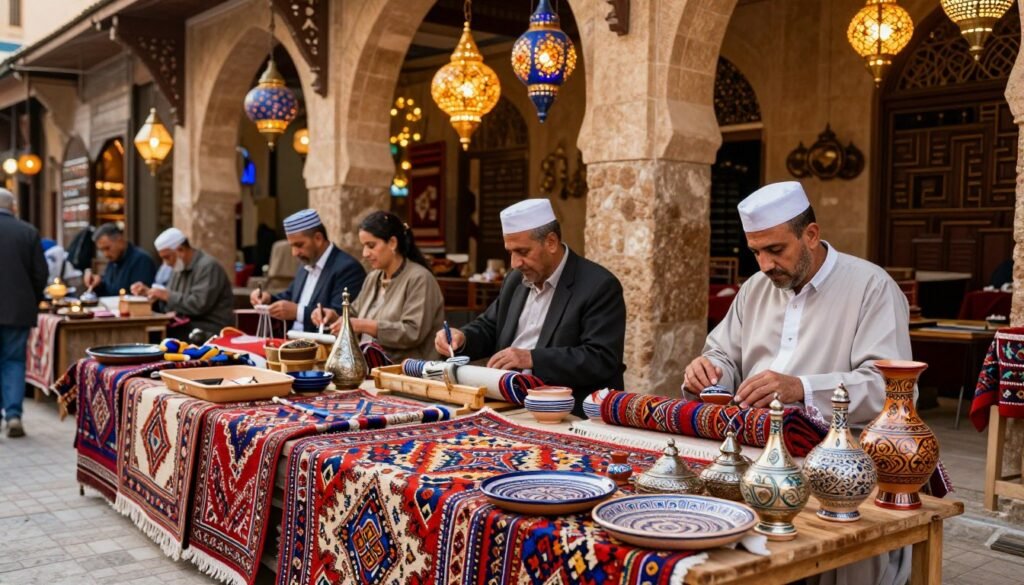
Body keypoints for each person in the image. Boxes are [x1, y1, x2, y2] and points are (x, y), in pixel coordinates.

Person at [683, 181, 912, 585]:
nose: (766, 264)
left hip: (836, 461)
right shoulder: (755, 289)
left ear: (811, 235)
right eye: (756, 252)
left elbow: (888, 389)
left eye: (776, 250)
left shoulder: (871, 287)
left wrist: (801, 389)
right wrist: (709, 369)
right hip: (753, 450)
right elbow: (723, 354)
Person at [435, 199, 626, 409]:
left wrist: (531, 358)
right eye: (510, 253)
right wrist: (462, 339)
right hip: (508, 400)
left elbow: (600, 358)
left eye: (523, 252)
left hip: (567, 409)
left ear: (551, 242)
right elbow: (490, 327)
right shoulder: (515, 279)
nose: (514, 263)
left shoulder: (598, 285)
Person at [312, 211, 444, 363]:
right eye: (364, 246)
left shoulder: (420, 278)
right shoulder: (373, 277)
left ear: (393, 243)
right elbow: (355, 313)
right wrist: (334, 317)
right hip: (370, 368)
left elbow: (412, 332)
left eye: (371, 245)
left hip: (408, 373)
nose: (365, 253)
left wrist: (363, 325)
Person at [249, 209, 365, 332]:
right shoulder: (307, 262)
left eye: (299, 245)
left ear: (318, 238)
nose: (294, 253)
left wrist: (297, 312)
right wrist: (268, 299)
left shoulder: (347, 268)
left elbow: (339, 317)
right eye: (292, 246)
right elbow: (291, 296)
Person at [0, 189, 47, 437]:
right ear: (13, 207)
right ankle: (14, 415)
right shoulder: (27, 232)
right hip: (18, 309)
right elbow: (41, 274)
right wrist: (33, 299)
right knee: (14, 361)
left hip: (17, 307)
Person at [131, 228, 234, 337]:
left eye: (167, 257)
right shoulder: (178, 267)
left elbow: (198, 305)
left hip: (209, 327)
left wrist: (165, 295)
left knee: (156, 336)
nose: (166, 263)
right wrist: (150, 294)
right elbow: (170, 305)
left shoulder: (208, 267)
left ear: (180, 250)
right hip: (186, 324)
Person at [83, 223, 157, 297]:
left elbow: (140, 297)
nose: (105, 254)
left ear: (119, 239)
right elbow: (109, 289)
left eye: (107, 248)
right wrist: (97, 283)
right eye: (102, 250)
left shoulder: (141, 260)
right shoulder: (113, 260)